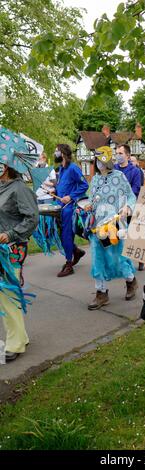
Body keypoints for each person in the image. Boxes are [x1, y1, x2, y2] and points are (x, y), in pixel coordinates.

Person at [0, 133, 39, 362]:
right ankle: (20, 337)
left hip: (12, 248)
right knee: (4, 295)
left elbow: (32, 218)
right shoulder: (2, 187)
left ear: (6, 165)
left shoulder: (19, 188)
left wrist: (10, 234)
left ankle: (14, 343)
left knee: (7, 294)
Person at [85, 146, 138, 310]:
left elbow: (131, 195)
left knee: (118, 258)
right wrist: (89, 205)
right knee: (97, 259)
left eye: (101, 160)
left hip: (115, 225)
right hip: (97, 226)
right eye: (97, 160)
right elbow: (92, 199)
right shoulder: (94, 179)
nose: (99, 163)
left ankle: (130, 281)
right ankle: (101, 292)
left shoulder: (119, 176)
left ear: (107, 160)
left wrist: (127, 207)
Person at [55, 144, 89, 277]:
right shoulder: (61, 169)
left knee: (66, 235)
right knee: (60, 234)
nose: (55, 153)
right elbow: (63, 187)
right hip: (60, 207)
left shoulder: (73, 168)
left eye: (56, 151)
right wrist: (54, 190)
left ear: (62, 153)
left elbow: (84, 184)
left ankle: (69, 264)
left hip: (69, 208)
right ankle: (76, 251)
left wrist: (71, 196)